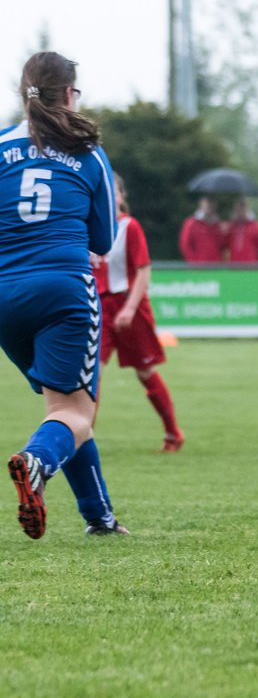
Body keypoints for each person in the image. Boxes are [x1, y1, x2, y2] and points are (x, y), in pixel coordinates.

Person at [1, 52, 128, 538]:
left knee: (64, 409)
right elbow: (102, 241)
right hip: (63, 290)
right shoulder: (89, 152)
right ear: (71, 94)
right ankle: (35, 461)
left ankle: (101, 519)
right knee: (74, 413)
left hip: (4, 296)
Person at [93, 174, 185, 452]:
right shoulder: (89, 228)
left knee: (145, 370)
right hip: (99, 309)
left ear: (122, 196)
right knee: (91, 373)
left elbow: (144, 270)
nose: (109, 197)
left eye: (114, 192)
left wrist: (130, 309)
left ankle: (172, 433)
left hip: (129, 307)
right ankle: (81, 440)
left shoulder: (129, 227)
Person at [179, 195, 226, 263]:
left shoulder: (218, 225)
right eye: (207, 203)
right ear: (201, 204)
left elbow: (223, 245)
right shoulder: (191, 223)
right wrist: (193, 263)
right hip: (199, 266)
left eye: (212, 203)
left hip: (216, 266)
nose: (210, 206)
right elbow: (185, 245)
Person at [226, 197, 258, 263]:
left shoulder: (257, 227)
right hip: (234, 268)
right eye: (237, 207)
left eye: (242, 206)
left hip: (251, 268)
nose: (240, 210)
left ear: (247, 207)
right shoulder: (232, 227)